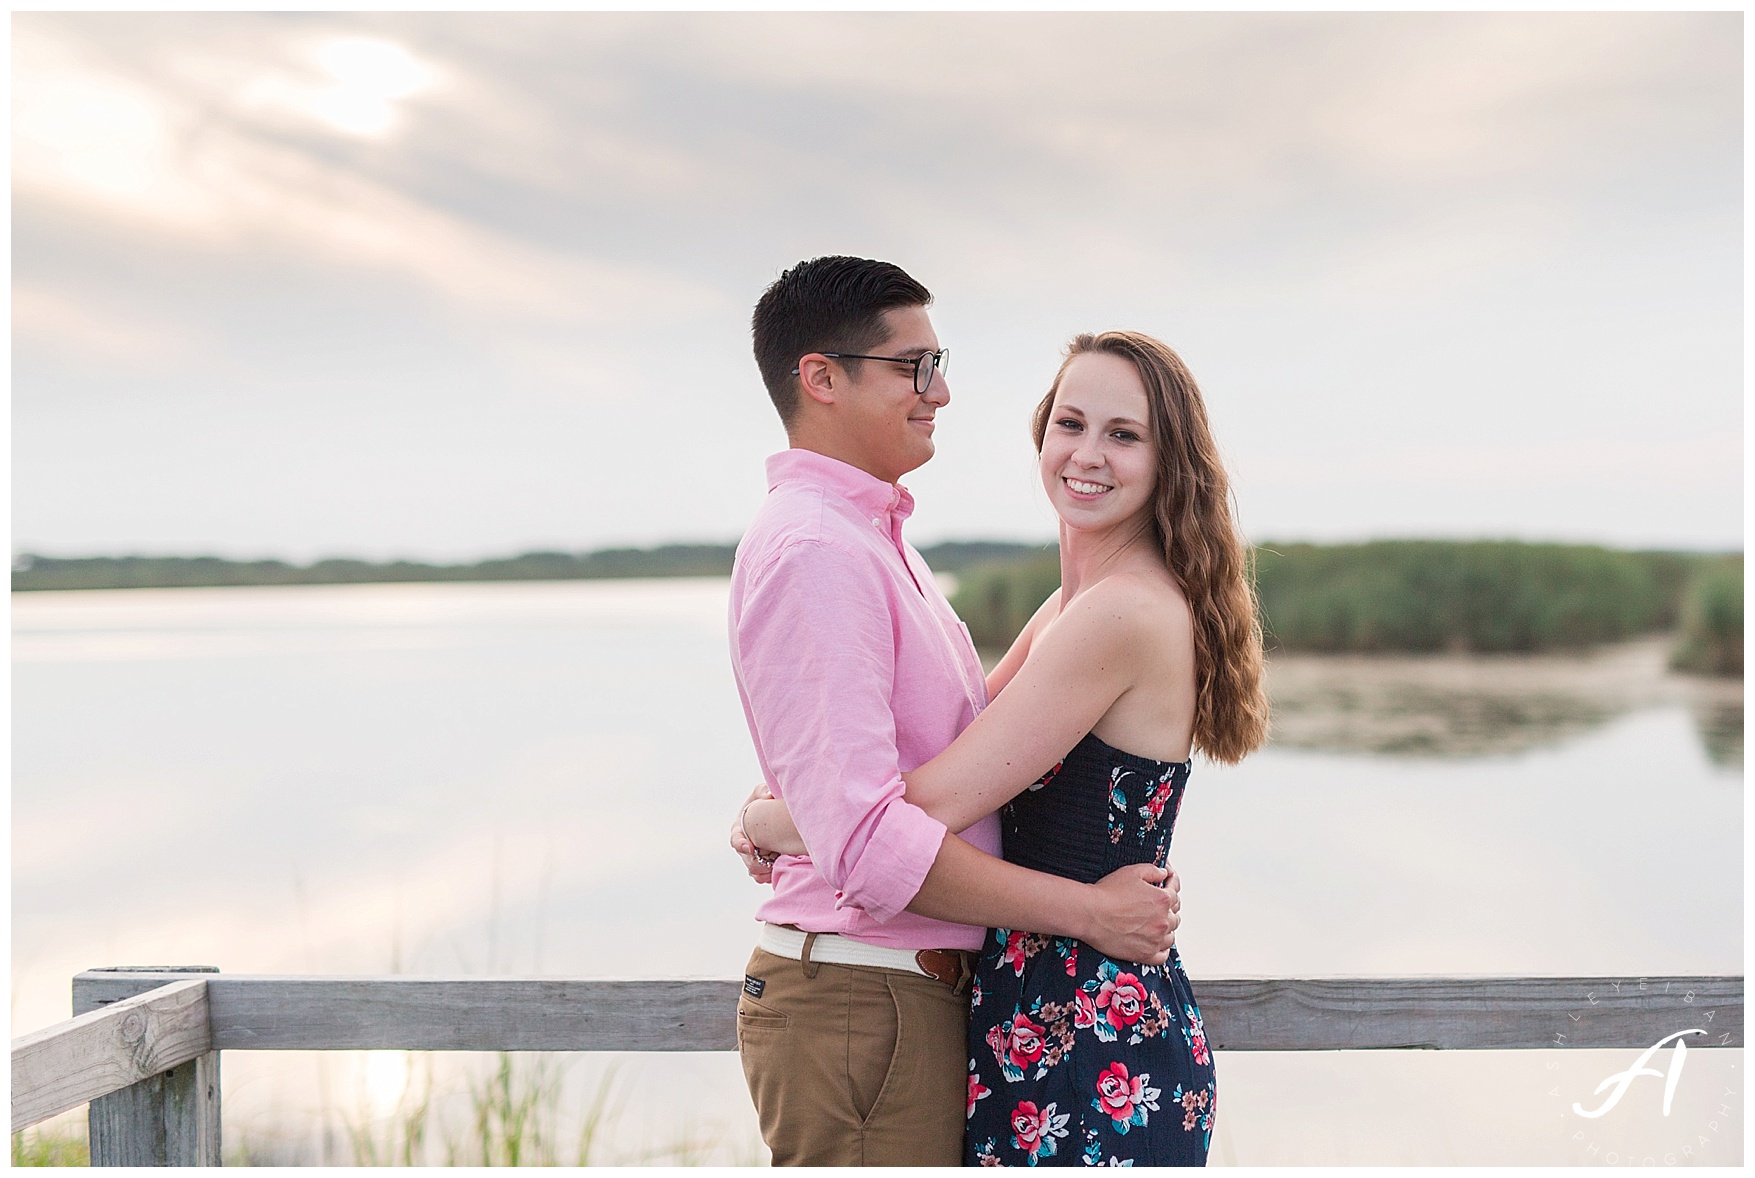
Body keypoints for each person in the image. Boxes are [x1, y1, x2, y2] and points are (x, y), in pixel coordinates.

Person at [740, 329, 1269, 1166]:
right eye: (1070, 424)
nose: (1087, 454)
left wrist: (776, 820)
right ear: (1041, 435)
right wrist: (813, 805)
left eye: (1123, 435)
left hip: (1088, 1031)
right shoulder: (1067, 610)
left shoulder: (1120, 613)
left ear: (1171, 462)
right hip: (1028, 1010)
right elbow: (949, 760)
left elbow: (931, 804)